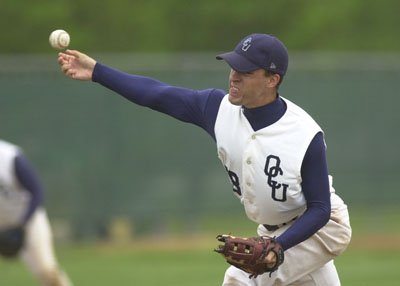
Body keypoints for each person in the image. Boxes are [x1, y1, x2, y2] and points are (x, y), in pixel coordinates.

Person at [58, 33, 351, 286]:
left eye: (246, 71)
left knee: (240, 280)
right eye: (233, 66)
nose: (234, 75)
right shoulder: (217, 109)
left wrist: (278, 245)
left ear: (272, 80)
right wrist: (97, 71)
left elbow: (321, 209)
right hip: (271, 233)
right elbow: (156, 94)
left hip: (319, 230)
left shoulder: (304, 134)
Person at [0, 139, 72, 286]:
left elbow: (37, 191)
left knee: (46, 271)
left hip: (28, 219)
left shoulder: (9, 158)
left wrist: (22, 225)